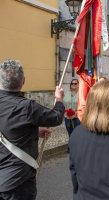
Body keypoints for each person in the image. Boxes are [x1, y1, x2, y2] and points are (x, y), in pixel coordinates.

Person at [0, 59, 65, 200]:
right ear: (23, 81)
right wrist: (59, 99)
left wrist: (34, 131)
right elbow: (56, 117)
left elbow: (9, 128)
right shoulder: (27, 107)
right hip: (17, 182)